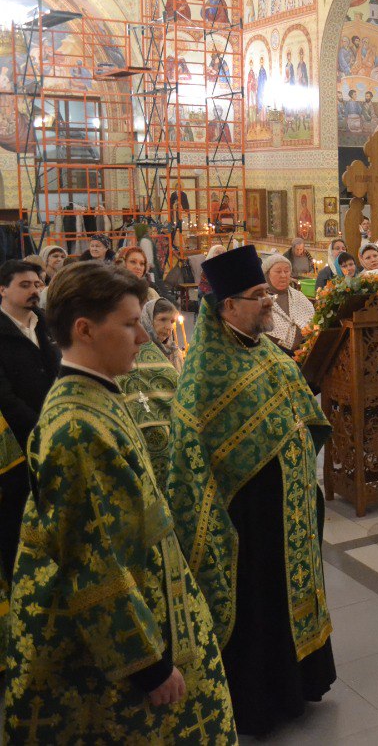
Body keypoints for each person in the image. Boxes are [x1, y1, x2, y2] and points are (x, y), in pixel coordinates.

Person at [4, 262, 235, 742]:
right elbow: (92, 565)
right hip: (106, 660)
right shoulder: (77, 428)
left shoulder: (97, 395)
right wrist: (148, 667)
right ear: (84, 330)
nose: (142, 336)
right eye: (129, 325)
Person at [168, 244, 336, 736]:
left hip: (291, 511)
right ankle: (261, 699)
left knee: (290, 595)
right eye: (258, 294)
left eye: (267, 291)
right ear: (228, 307)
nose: (268, 301)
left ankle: (302, 681)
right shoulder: (204, 374)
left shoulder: (269, 354)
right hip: (245, 521)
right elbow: (192, 462)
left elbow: (306, 414)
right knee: (258, 604)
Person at [0, 260, 61, 583]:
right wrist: (41, 429)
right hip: (17, 448)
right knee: (17, 519)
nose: (34, 291)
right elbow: (5, 398)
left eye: (37, 285)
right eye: (25, 285)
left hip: (54, 438)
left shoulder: (46, 325)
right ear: (2, 289)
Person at [119, 297, 183, 465]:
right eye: (162, 320)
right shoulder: (134, 351)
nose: (168, 327)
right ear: (147, 319)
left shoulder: (174, 351)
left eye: (172, 321)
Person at [261, 253, 317, 355]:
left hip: (306, 352)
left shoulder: (298, 296)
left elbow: (313, 321)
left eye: (286, 271)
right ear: (267, 275)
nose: (283, 275)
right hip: (273, 355)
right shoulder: (260, 301)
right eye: (278, 271)